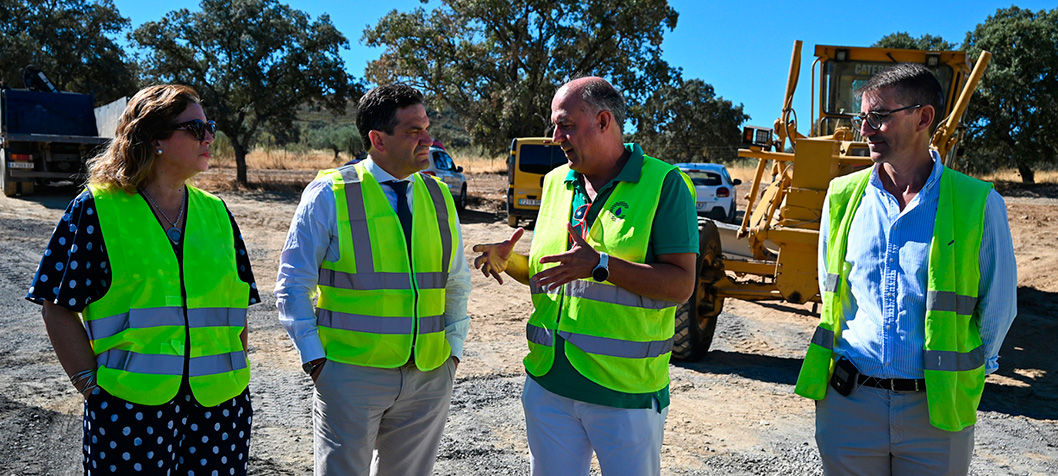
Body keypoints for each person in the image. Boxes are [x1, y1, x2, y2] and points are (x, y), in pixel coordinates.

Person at [794, 63, 1018, 474]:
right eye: (862, 117)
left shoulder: (979, 203)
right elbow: (833, 294)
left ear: (924, 118)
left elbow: (998, 309)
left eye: (878, 117)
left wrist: (962, 377)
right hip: (849, 407)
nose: (865, 130)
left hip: (934, 412)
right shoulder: (841, 197)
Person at [26, 84, 260, 475]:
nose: (209, 138)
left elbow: (237, 309)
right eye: (195, 129)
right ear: (154, 139)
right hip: (129, 413)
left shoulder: (217, 213)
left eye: (210, 127)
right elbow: (57, 306)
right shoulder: (96, 209)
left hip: (221, 410)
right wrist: (89, 387)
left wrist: (232, 376)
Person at [472, 76, 698, 475]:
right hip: (548, 384)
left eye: (566, 125)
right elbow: (559, 271)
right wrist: (513, 262)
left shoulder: (665, 185)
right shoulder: (558, 181)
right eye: (555, 126)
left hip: (624, 393)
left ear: (604, 121)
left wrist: (603, 266)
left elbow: (681, 285)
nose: (555, 137)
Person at [274, 83, 471, 475]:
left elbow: (455, 282)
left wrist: (453, 351)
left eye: (427, 127)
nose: (427, 140)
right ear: (377, 139)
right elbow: (293, 284)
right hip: (350, 375)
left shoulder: (438, 194)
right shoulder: (328, 194)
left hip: (429, 373)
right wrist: (316, 361)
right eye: (414, 131)